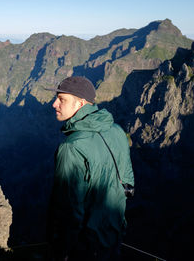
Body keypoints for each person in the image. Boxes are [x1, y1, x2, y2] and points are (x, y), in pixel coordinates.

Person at [46, 76, 134, 261]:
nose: (54, 104)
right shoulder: (117, 131)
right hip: (114, 233)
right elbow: (128, 183)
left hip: (84, 246)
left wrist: (61, 251)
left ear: (80, 103)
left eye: (62, 100)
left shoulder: (71, 147)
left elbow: (67, 210)